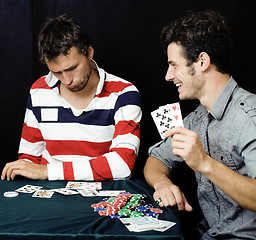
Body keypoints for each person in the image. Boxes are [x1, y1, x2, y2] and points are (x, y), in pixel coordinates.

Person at [144, 10, 256, 239]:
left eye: (174, 65)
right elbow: (155, 161)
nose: (168, 75)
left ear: (202, 61)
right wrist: (163, 184)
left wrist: (204, 163)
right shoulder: (196, 119)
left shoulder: (250, 117)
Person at [1, 14, 141, 181]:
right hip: (49, 193)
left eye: (72, 68)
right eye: (57, 72)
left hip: (100, 197)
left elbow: (122, 165)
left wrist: (48, 172)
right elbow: (30, 159)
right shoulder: (39, 90)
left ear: (89, 53)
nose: (67, 80)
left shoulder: (124, 93)